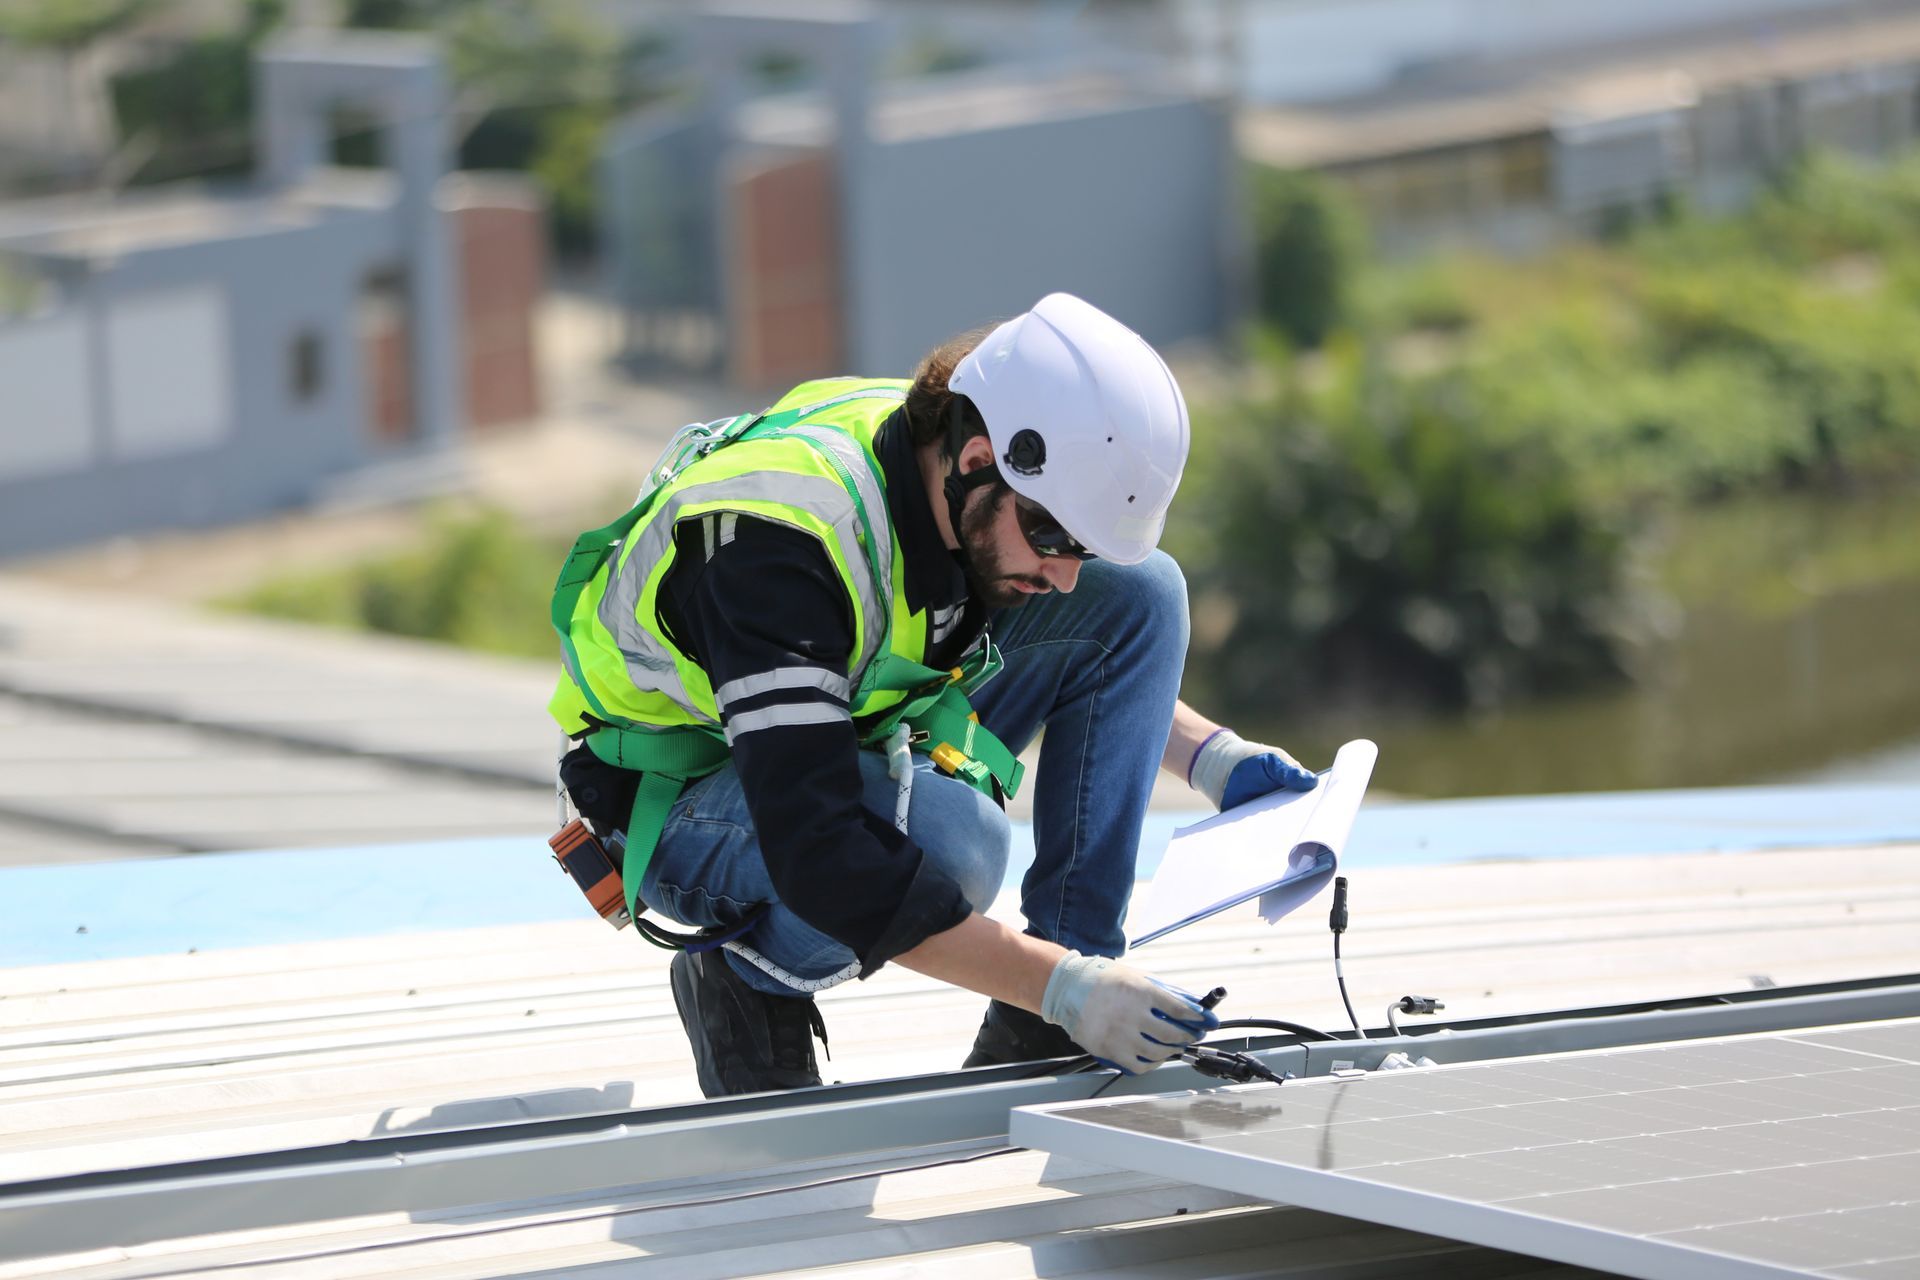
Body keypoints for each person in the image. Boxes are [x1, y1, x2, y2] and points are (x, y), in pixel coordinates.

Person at [549, 293, 1317, 1098]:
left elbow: (1081, 631)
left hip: (833, 722)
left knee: (1141, 592)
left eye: (1082, 546)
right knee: (956, 843)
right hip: (678, 795)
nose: (1062, 574)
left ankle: (1049, 1017)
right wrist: (1061, 987)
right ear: (981, 459)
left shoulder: (949, 471)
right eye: (1055, 536)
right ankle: (749, 978)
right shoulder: (779, 552)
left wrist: (1214, 761)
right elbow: (821, 852)